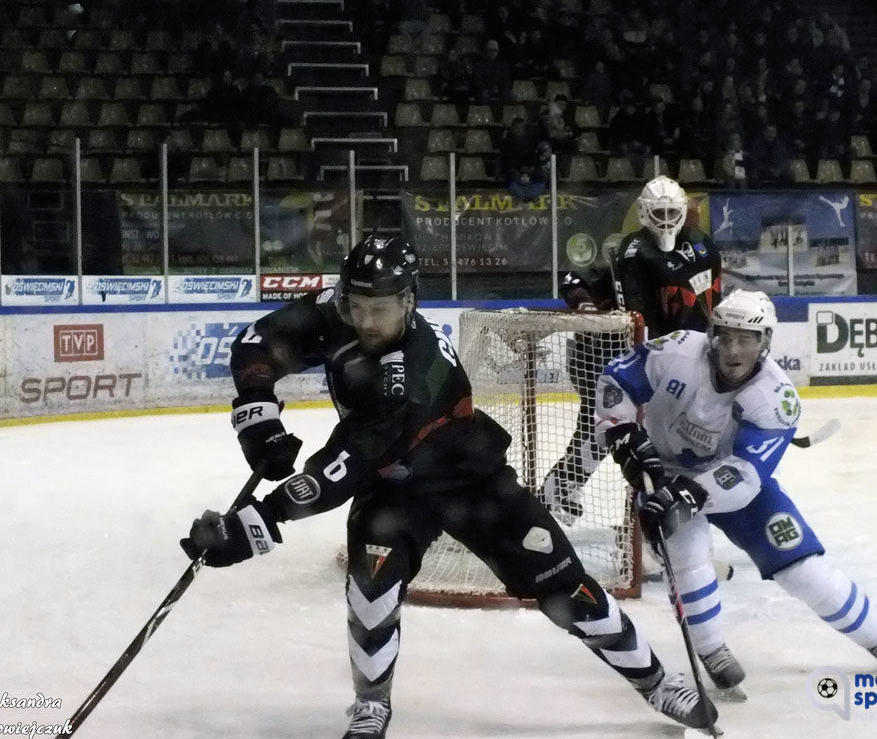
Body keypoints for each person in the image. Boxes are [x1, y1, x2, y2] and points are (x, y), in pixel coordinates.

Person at [181, 235, 717, 738]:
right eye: (358, 306)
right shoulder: (342, 307)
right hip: (394, 489)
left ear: (409, 302)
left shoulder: (416, 373)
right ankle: (371, 702)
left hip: (471, 481)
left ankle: (656, 681)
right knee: (371, 594)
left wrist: (253, 526)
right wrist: (257, 417)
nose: (366, 320)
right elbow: (260, 340)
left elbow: (344, 466)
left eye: (381, 309)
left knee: (566, 588)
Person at [595, 289, 877, 693]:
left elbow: (746, 475)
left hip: (731, 483)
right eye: (726, 336)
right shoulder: (676, 350)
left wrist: (692, 493)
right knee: (689, 559)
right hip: (664, 474)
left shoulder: (776, 398)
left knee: (800, 564)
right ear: (712, 333)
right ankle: (713, 650)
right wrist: (621, 429)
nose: (733, 349)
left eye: (746, 339)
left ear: (765, 342)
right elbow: (615, 379)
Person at [542, 176, 722, 520]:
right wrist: (584, 304)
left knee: (645, 444)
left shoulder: (697, 250)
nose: (668, 220)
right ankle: (558, 496)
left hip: (661, 362)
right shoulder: (632, 254)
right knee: (606, 437)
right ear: (644, 214)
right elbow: (581, 286)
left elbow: (702, 307)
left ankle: (635, 521)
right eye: (660, 212)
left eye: (674, 211)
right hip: (610, 361)